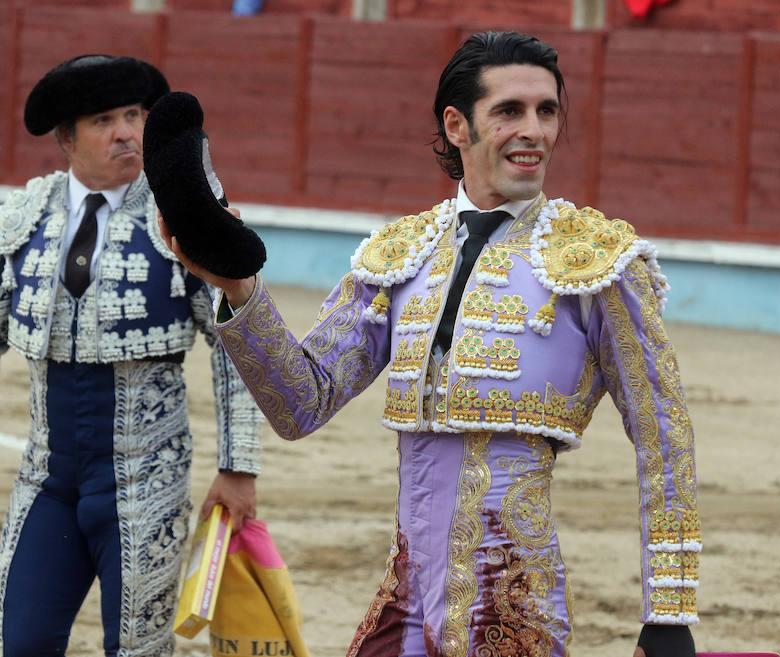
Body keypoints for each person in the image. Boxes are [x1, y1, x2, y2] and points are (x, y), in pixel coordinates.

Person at [163, 31, 700, 657]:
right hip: (405, 596)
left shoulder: (597, 263)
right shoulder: (402, 253)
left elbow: (665, 435)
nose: (536, 131)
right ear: (457, 124)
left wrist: (669, 612)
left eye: (547, 111)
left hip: (513, 599)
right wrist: (240, 289)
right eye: (510, 111)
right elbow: (300, 402)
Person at [0, 54, 263, 657]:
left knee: (140, 651)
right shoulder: (24, 215)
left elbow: (236, 339)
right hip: (46, 476)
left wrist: (238, 465)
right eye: (104, 120)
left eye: (135, 115)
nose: (126, 132)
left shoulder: (186, 210)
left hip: (147, 478)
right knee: (21, 643)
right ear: (66, 137)